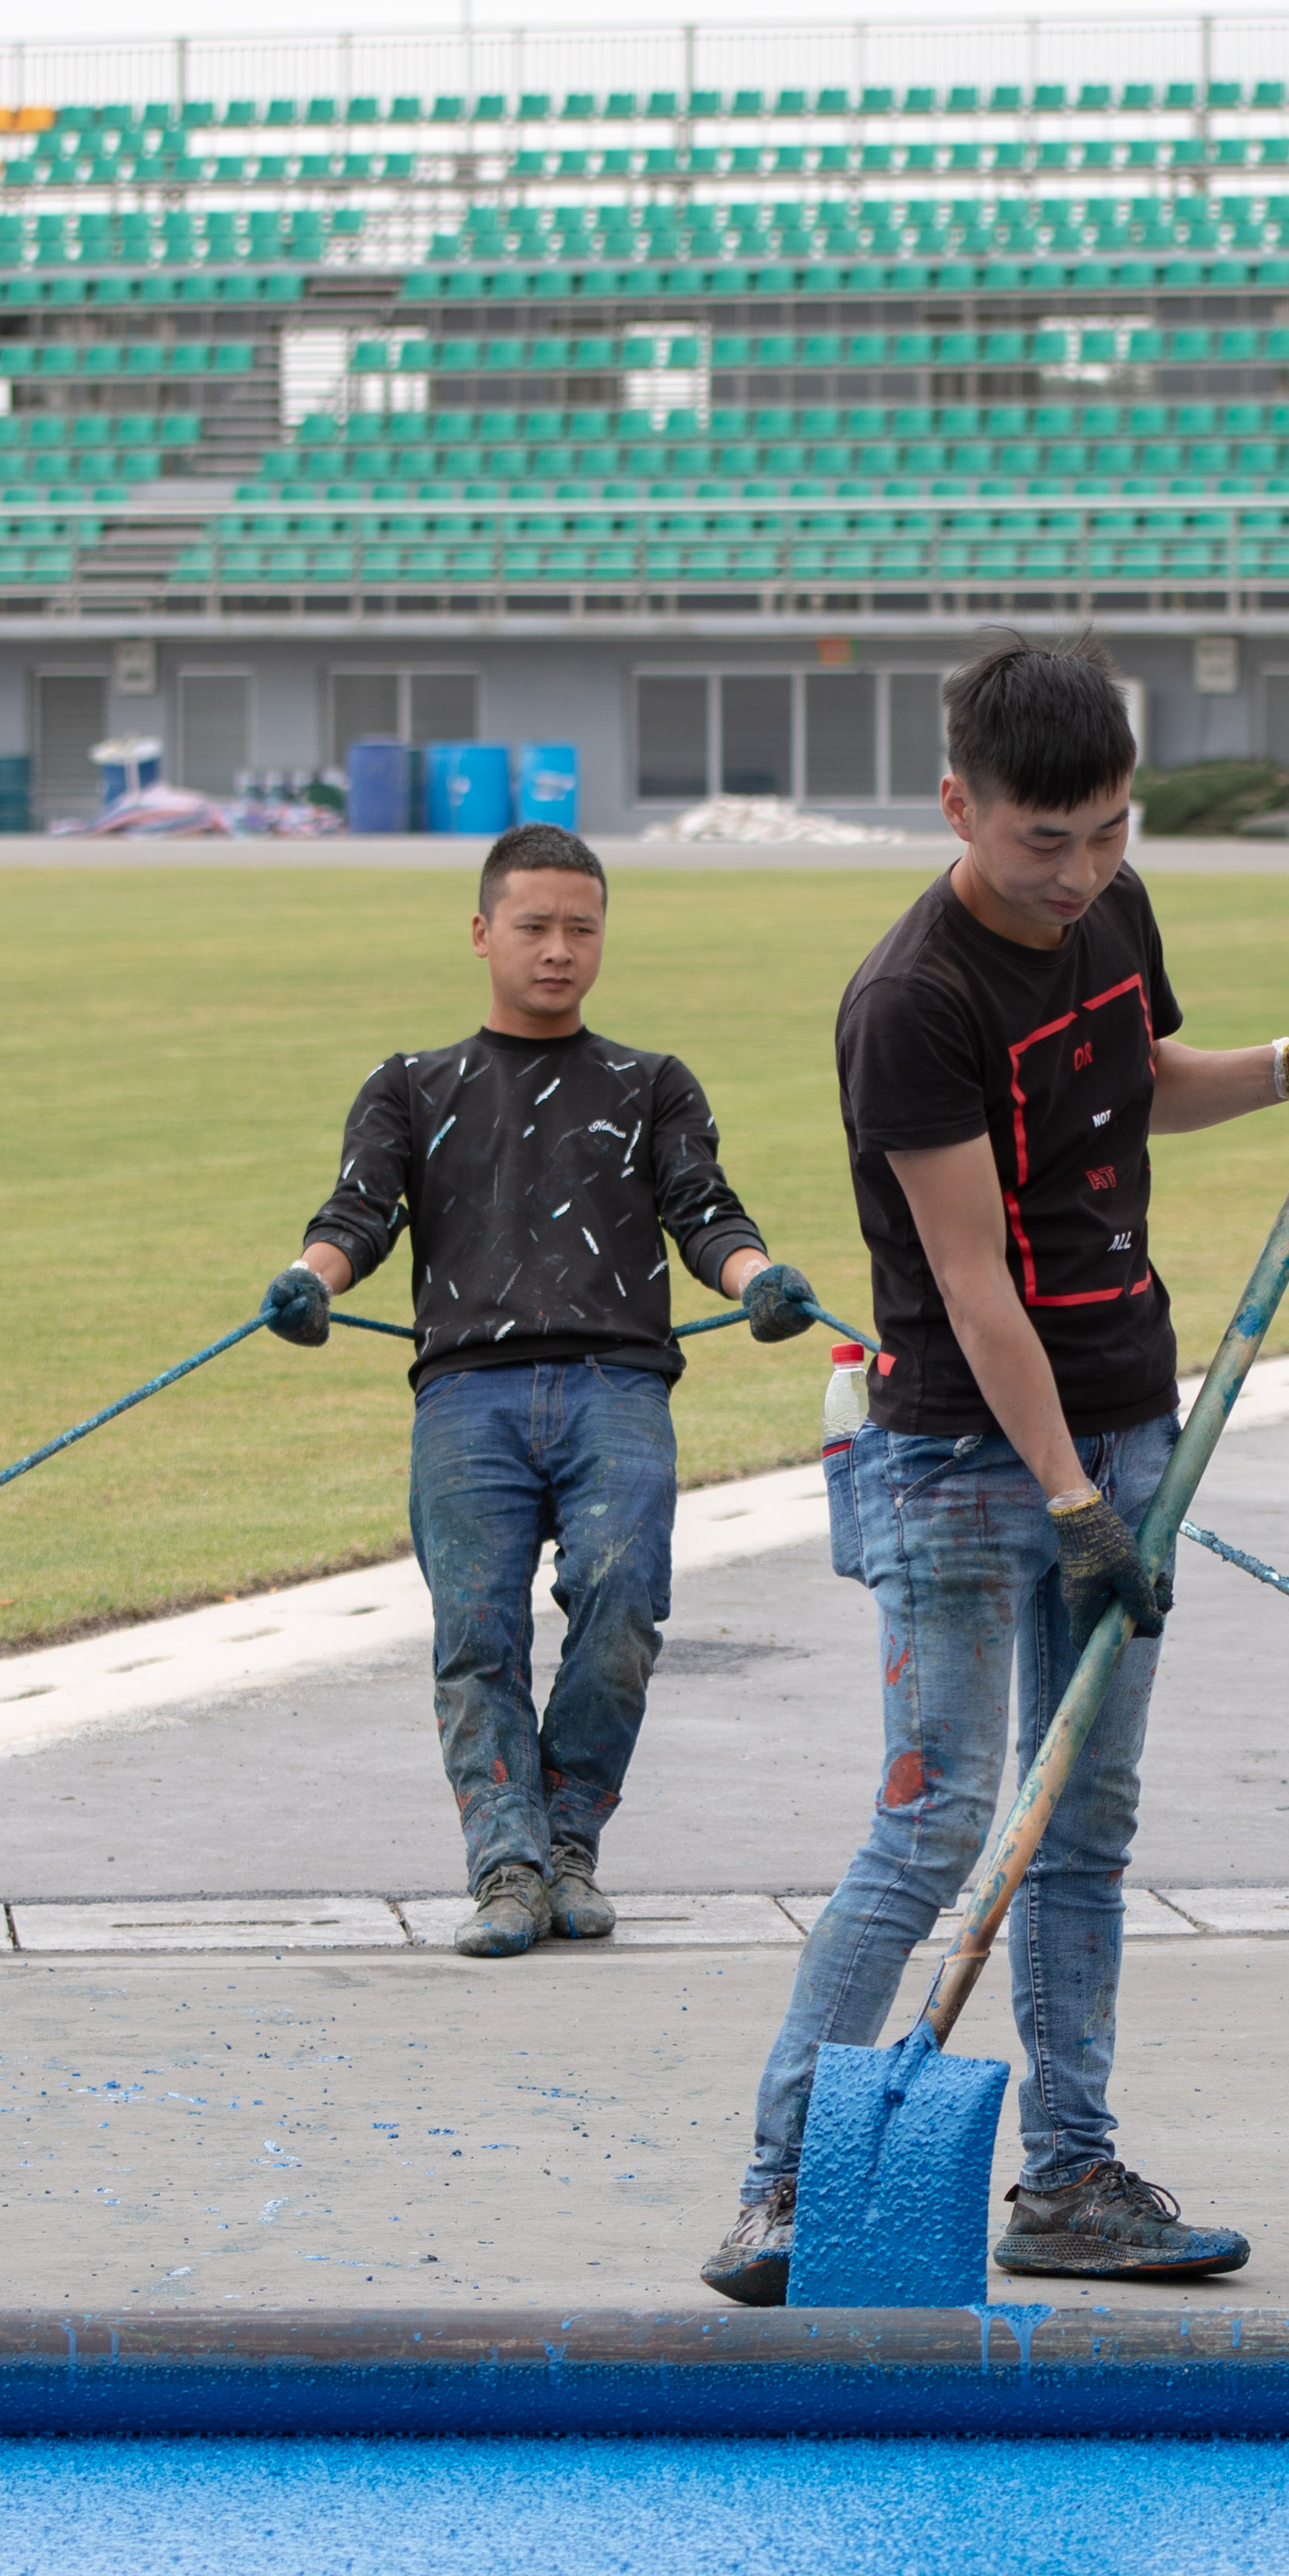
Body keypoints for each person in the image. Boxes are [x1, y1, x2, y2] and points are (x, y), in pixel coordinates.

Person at [699, 633, 1289, 2305]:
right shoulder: (909, 1001)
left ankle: (1071, 2176)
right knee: (938, 1818)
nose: (1080, 872)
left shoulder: (1113, 909)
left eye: (1108, 831)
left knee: (1082, 1824)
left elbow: (1134, 1083)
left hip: (1129, 1419)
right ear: (959, 805)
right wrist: (1074, 1502)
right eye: (1045, 840)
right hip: (958, 1458)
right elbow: (970, 1277)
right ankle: (782, 2183)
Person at [268, 825, 823, 1960]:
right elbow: (358, 1215)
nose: (558, 949)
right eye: (533, 926)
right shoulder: (410, 1085)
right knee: (474, 1634)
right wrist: (308, 1281)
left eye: (581, 927)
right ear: (482, 934)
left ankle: (568, 1846)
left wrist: (757, 1280)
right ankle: (507, 1869)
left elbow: (704, 1210)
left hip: (617, 1386)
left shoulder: (651, 1083)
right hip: (464, 1396)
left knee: (622, 1611)